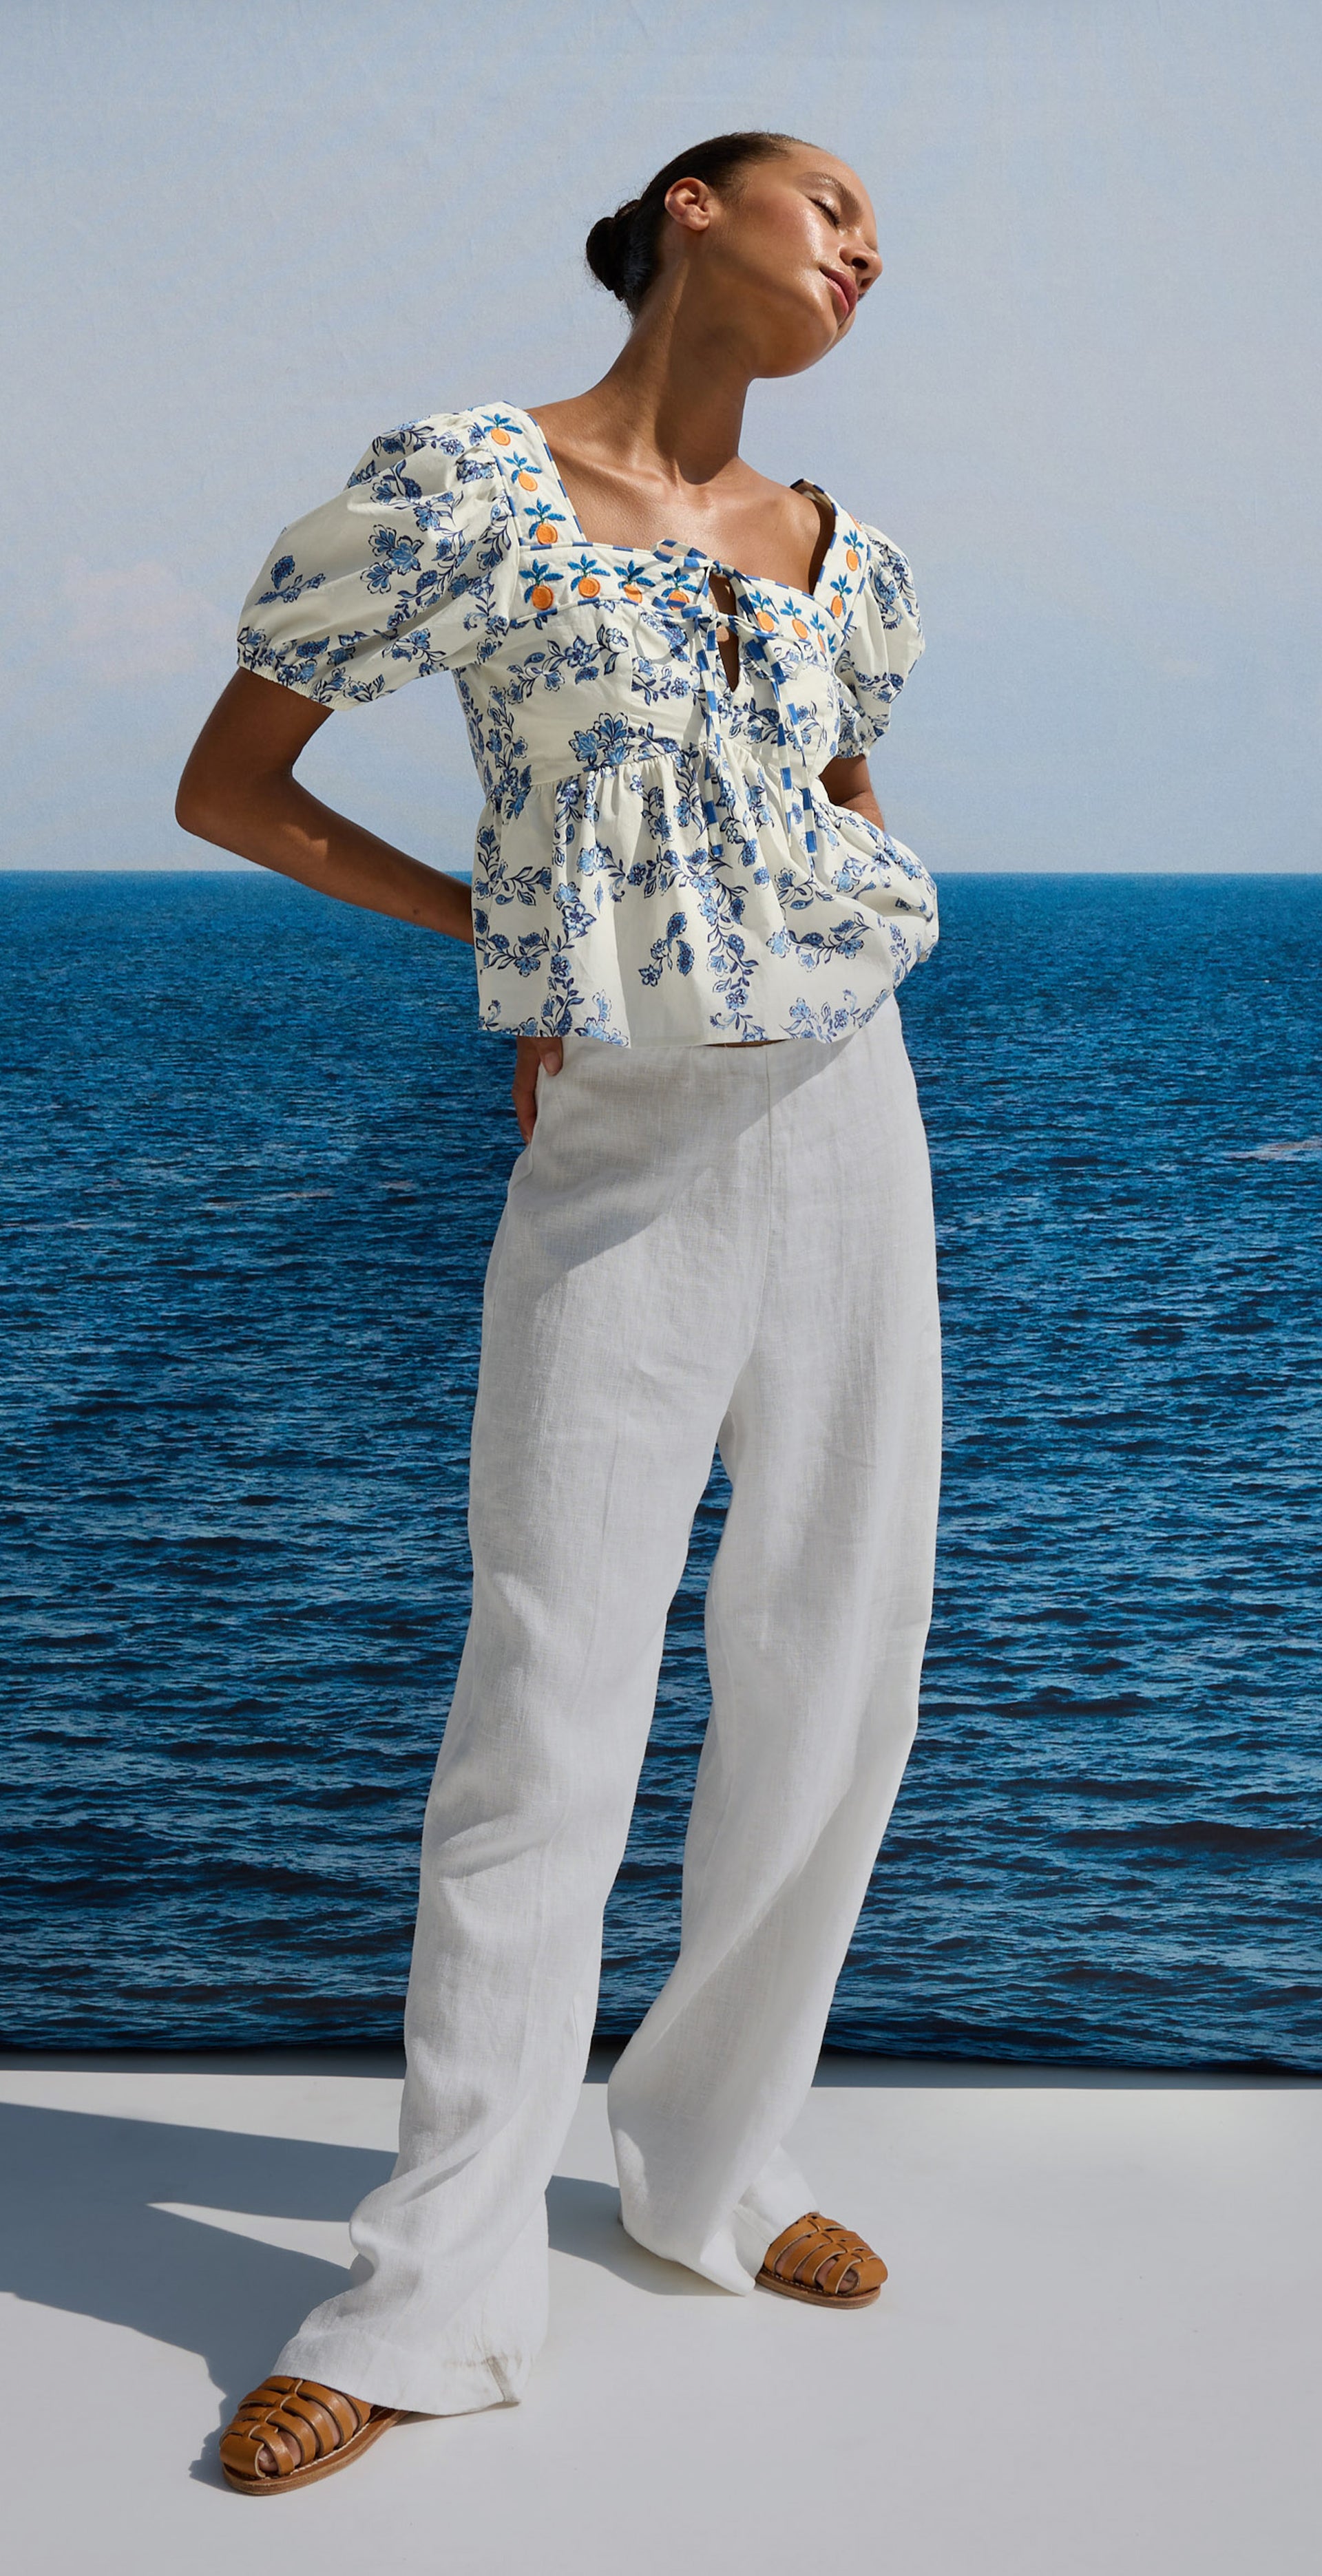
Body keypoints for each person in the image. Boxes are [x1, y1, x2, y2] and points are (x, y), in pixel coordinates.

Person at [176, 129, 942, 2497]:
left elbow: (832, 809)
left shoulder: (848, 553)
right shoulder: (462, 487)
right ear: (689, 211)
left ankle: (712, 2173)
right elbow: (236, 788)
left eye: (885, 246)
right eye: (831, 203)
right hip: (619, 1139)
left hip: (851, 1110)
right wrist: (518, 956)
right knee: (552, 1696)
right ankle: (431, 2291)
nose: (867, 250)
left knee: (835, 1665)